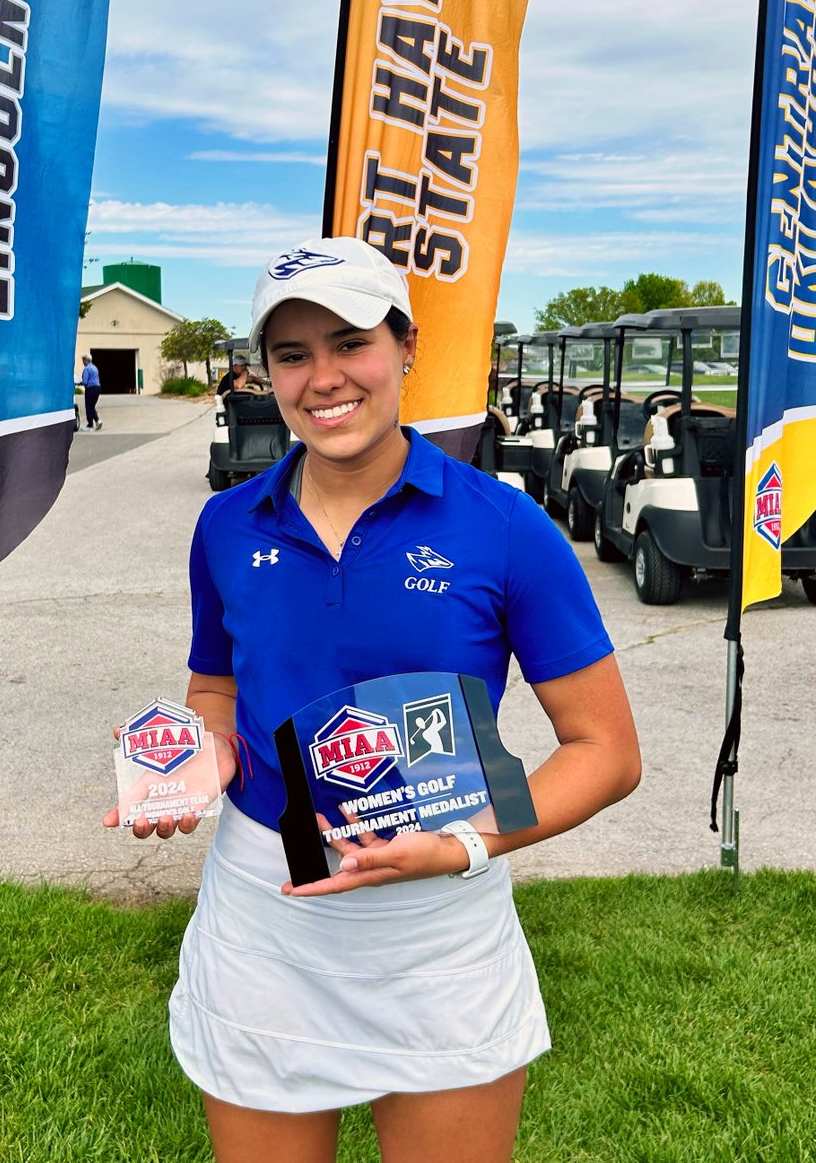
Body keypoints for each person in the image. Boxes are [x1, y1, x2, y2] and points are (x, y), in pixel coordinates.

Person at [104, 236, 641, 1163]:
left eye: (349, 341)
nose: (324, 378)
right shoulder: (228, 525)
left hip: (439, 921)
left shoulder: (506, 526)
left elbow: (604, 751)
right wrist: (205, 752)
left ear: (404, 348)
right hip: (267, 906)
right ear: (264, 370)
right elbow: (216, 684)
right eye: (292, 353)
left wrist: (460, 845)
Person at [79, 354, 102, 430]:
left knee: (88, 406)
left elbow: (85, 382)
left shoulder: (87, 369)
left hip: (90, 388)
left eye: (83, 360)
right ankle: (98, 421)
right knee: (92, 406)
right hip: (97, 388)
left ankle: (90, 425)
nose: (83, 362)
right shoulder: (95, 368)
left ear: (87, 360)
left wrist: (77, 383)